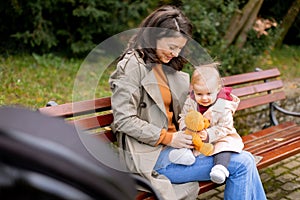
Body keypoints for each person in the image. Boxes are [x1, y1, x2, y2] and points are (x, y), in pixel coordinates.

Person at [109, 5, 267, 200]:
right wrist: (168, 138)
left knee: (245, 161)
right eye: (171, 47)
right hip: (151, 155)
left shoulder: (167, 67)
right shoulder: (131, 66)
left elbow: (192, 107)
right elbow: (123, 120)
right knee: (242, 164)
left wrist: (218, 109)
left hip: (183, 147)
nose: (176, 54)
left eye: (180, 48)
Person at [168, 64, 244, 185]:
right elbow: (183, 117)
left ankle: (219, 168)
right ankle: (183, 156)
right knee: (185, 140)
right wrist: (186, 128)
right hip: (197, 138)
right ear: (193, 90)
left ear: (218, 89)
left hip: (220, 136)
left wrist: (209, 134)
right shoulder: (190, 101)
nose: (204, 98)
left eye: (209, 94)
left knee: (224, 147)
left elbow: (225, 127)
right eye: (199, 94)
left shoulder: (223, 105)